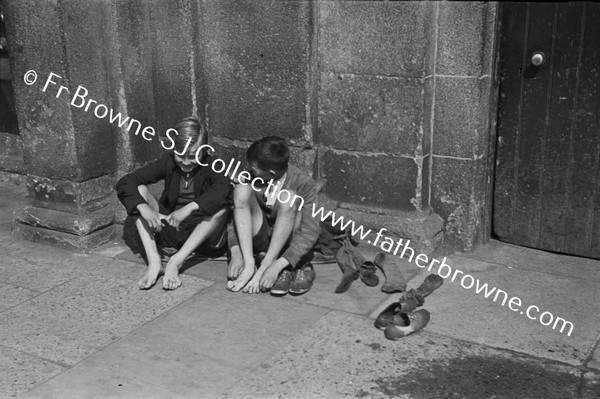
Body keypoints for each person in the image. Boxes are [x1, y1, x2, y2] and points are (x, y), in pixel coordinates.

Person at [116, 116, 232, 290]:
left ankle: (176, 262)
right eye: (181, 155)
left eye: (192, 156)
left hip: (200, 232)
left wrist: (189, 208)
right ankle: (154, 262)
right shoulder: (168, 162)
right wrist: (143, 208)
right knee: (139, 191)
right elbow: (126, 182)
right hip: (171, 227)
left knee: (221, 207)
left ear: (204, 150)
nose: (185, 162)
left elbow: (223, 190)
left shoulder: (214, 164)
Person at [226, 136, 320, 295]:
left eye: (254, 168)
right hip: (259, 237)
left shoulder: (304, 183)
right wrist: (236, 252)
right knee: (241, 189)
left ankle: (266, 264)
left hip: (287, 241)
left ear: (270, 173)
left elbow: (310, 231)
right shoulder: (250, 176)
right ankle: (250, 265)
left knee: (289, 197)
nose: (250, 170)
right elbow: (233, 217)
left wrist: (277, 265)